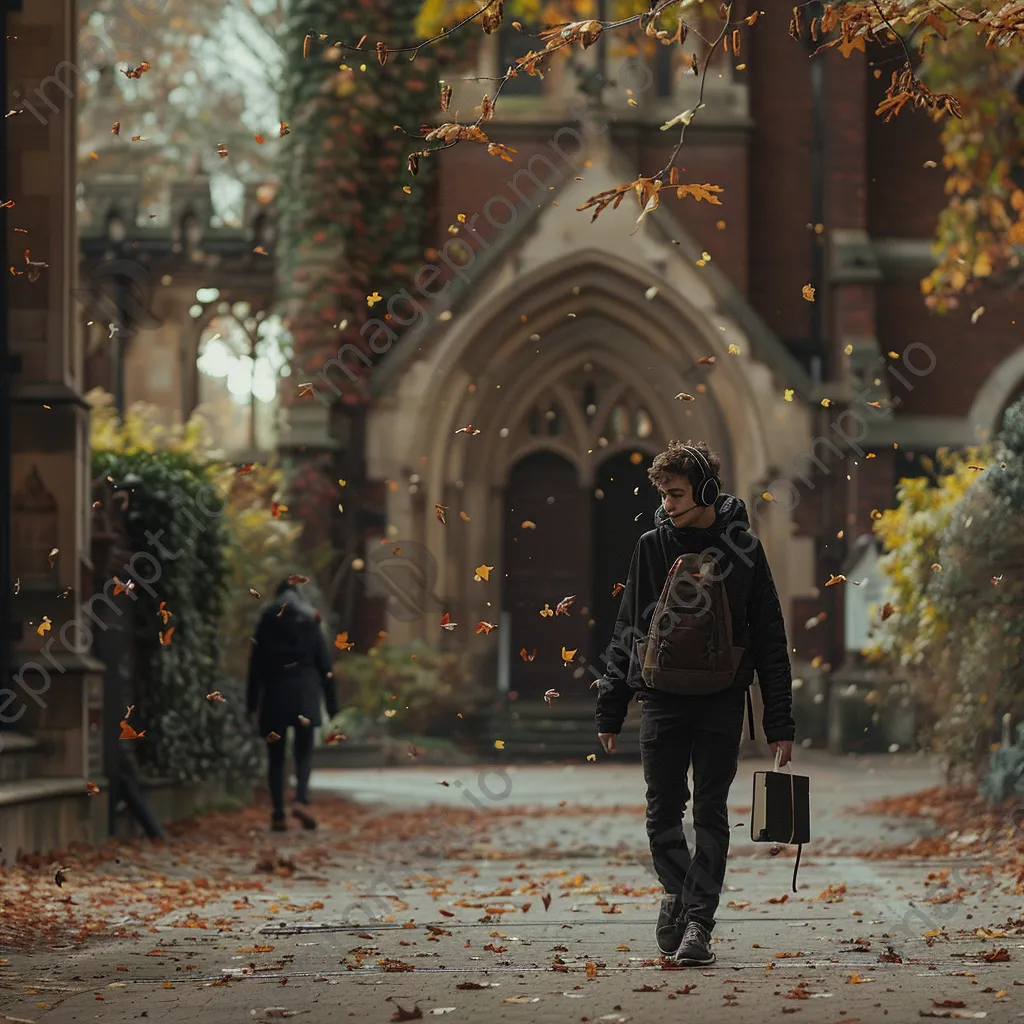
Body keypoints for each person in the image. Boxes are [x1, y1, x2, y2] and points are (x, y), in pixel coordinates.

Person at [595, 440, 795, 966]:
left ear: (706, 490)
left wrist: (780, 721)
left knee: (710, 810)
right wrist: (611, 705)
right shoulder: (650, 545)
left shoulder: (744, 548)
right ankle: (676, 892)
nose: (667, 504)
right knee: (662, 809)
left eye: (677, 493)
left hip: (721, 699)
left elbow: (770, 637)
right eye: (662, 493)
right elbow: (628, 625)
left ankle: (699, 924)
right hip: (660, 697)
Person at [247, 578, 340, 832]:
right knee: (304, 752)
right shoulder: (311, 620)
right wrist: (332, 705)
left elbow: (255, 667)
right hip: (305, 695)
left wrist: (251, 704)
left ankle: (278, 813)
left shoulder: (266, 620)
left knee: (275, 757)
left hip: (275, 694)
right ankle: (300, 800)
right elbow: (325, 666)